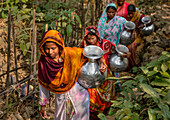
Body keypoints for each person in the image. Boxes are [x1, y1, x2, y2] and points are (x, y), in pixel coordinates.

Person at [38, 30, 106, 120]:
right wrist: (43, 105)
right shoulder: (44, 63)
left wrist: (101, 63)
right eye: (47, 48)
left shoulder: (70, 54)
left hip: (79, 95)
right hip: (61, 98)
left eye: (53, 48)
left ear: (59, 46)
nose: (50, 52)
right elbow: (43, 84)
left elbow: (92, 52)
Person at [80, 26, 131, 120]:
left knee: (107, 97)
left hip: (105, 74)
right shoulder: (84, 46)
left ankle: (104, 113)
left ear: (97, 37)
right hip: (90, 76)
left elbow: (117, 50)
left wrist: (125, 54)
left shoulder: (106, 44)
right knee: (91, 97)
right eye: (89, 39)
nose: (91, 41)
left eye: (93, 38)